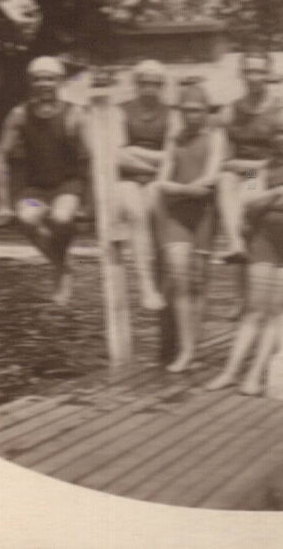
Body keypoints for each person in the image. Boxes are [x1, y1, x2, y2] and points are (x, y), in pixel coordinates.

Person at [206, 108, 283, 396]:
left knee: (276, 311)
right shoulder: (261, 166)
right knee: (254, 309)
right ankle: (230, 372)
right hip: (263, 240)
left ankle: (255, 374)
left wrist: (266, 199)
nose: (280, 139)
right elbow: (246, 202)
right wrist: (278, 193)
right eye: (276, 133)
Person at [0, 55, 87, 306]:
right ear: (30, 83)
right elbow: (0, 155)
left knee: (60, 218)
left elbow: (91, 158)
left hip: (68, 186)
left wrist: (91, 202)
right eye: (38, 79)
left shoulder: (74, 113)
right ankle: (62, 265)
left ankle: (61, 269)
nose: (44, 84)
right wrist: (2, 203)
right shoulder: (20, 114)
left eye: (50, 79)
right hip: (36, 191)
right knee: (26, 218)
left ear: (60, 82)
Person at [152, 82, 225, 372]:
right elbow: (161, 180)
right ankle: (185, 350)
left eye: (196, 110)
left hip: (205, 213)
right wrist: (185, 190)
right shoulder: (174, 139)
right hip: (178, 214)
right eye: (186, 110)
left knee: (199, 282)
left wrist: (179, 188)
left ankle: (194, 345)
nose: (191, 115)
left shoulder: (216, 136)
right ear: (180, 111)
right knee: (179, 276)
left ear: (206, 111)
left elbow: (211, 177)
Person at [215, 52, 283, 263]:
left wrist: (244, 165)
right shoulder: (231, 111)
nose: (254, 77)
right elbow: (222, 160)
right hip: (242, 171)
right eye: (249, 71)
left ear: (268, 74)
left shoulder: (280, 110)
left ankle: (242, 242)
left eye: (259, 72)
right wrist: (237, 165)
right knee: (224, 181)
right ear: (241, 74)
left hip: (264, 174)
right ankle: (235, 244)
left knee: (247, 191)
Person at [115, 59, 173, 311]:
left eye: (155, 84)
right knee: (138, 213)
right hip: (131, 178)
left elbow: (173, 155)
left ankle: (243, 300)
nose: (150, 88)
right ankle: (147, 286)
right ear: (137, 84)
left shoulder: (173, 114)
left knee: (246, 212)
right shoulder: (122, 110)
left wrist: (134, 151)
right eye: (145, 83)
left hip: (251, 175)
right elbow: (116, 155)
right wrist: (156, 164)